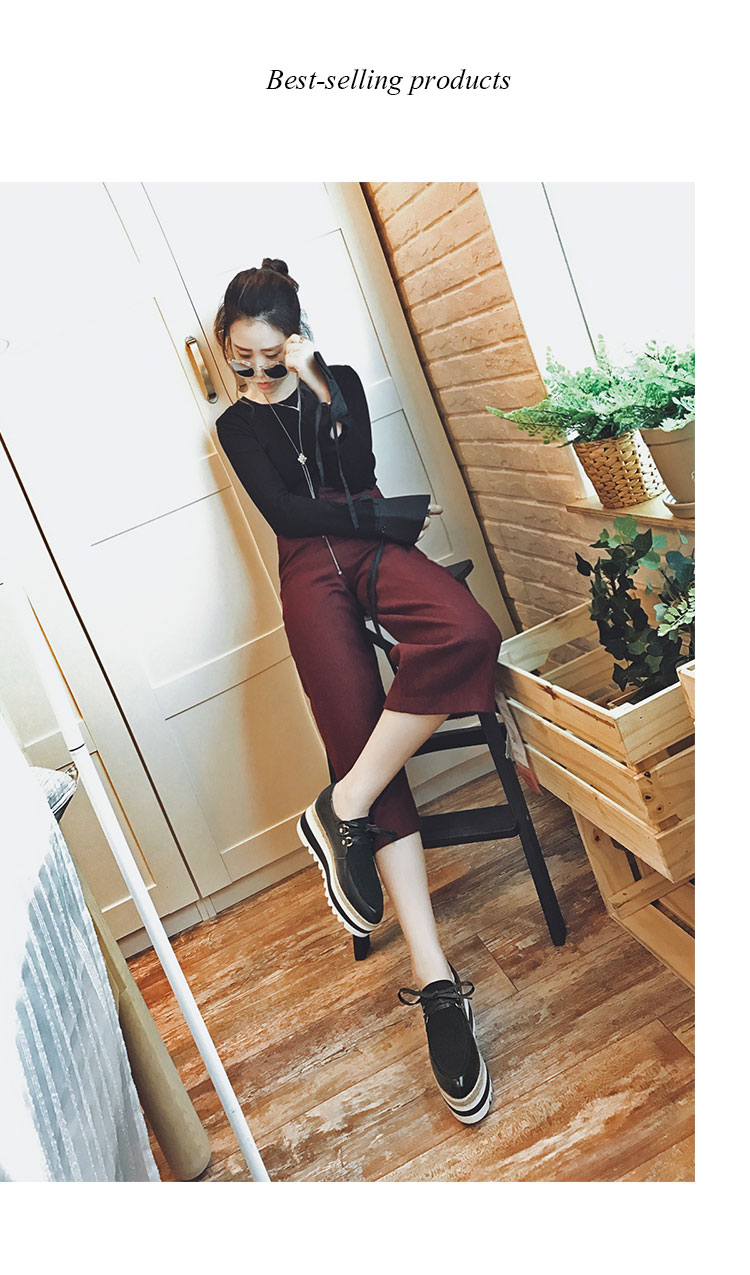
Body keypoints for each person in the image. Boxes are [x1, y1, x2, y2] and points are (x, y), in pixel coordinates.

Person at [214, 258, 503, 1125]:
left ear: (297, 340)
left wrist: (314, 385)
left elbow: (356, 462)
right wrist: (375, 515)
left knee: (468, 632)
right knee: (356, 732)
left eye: (272, 356)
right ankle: (437, 981)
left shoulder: (333, 382)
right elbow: (288, 515)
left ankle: (341, 806)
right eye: (241, 357)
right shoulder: (234, 425)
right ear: (224, 348)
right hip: (311, 570)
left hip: (378, 552)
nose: (257, 372)